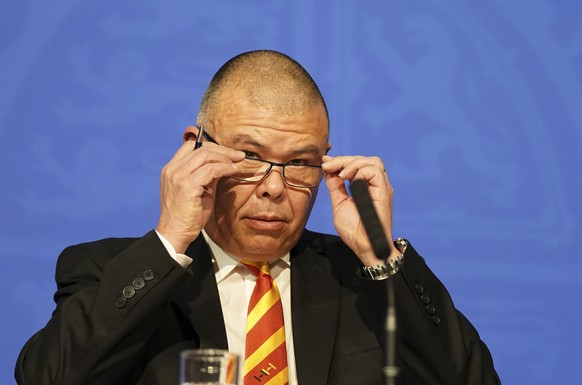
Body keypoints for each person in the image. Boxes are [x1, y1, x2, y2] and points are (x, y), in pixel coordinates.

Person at [15, 50, 500, 385]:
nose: (273, 186)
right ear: (195, 150)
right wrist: (170, 241)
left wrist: (379, 255)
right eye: (249, 156)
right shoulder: (109, 271)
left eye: (299, 163)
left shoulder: (360, 281)